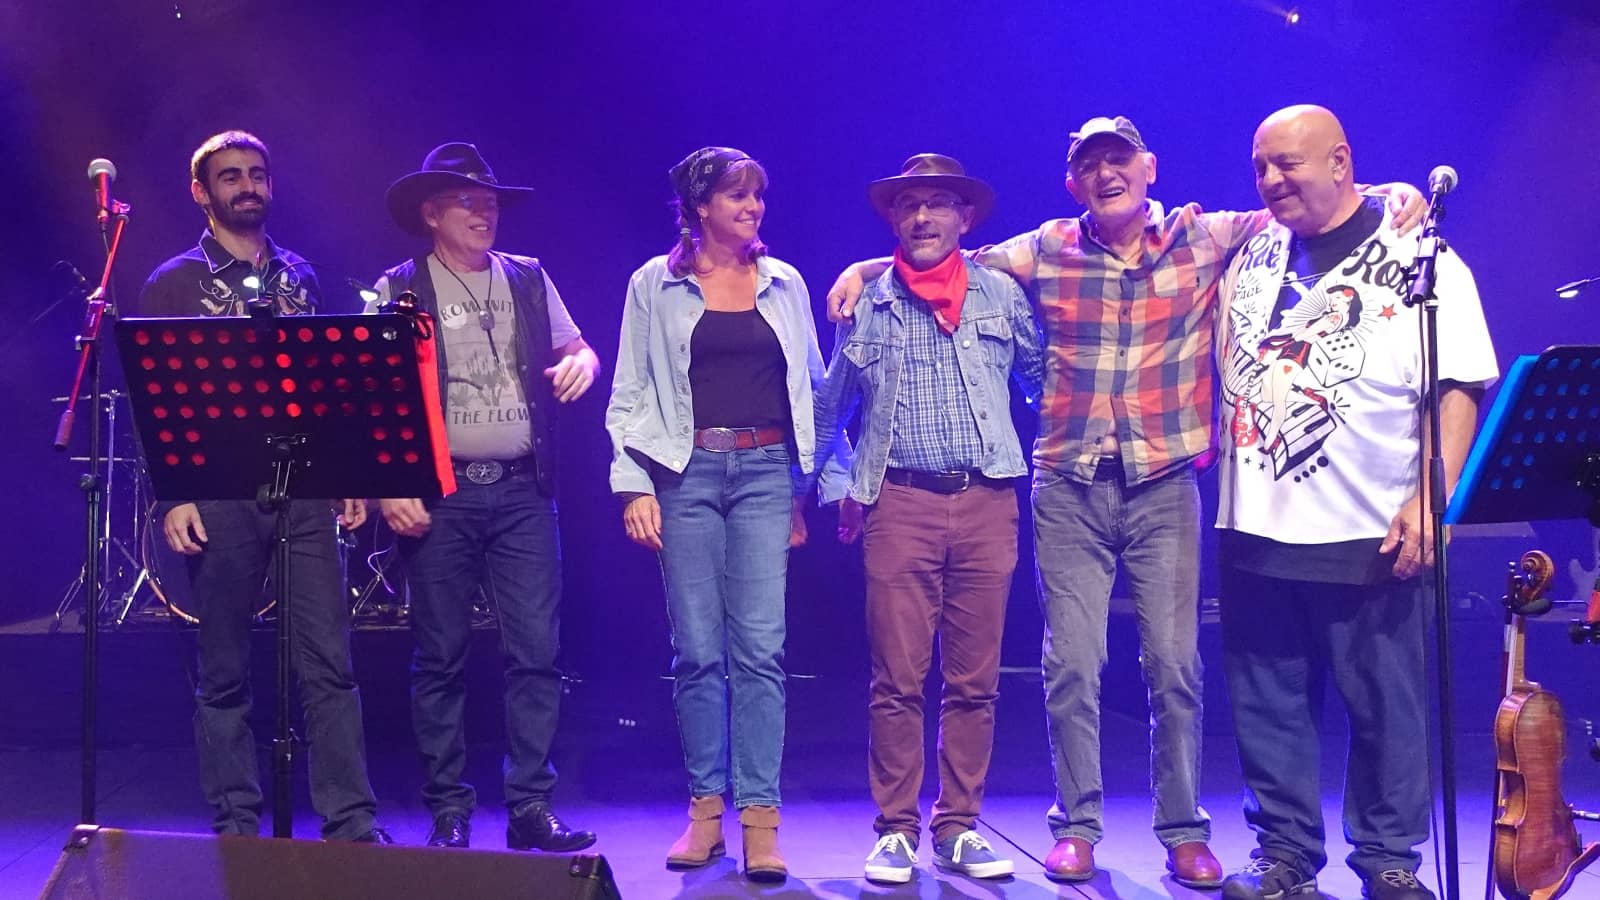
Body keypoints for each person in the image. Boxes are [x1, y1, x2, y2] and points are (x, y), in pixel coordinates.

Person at [826, 117, 1425, 888]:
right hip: (1068, 487)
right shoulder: (1043, 249)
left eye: (1119, 160)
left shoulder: (1204, 237)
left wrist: (1389, 191)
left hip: (1163, 484)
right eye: (1089, 165)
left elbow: (1311, 202)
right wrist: (865, 266)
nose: (1105, 174)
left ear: (1148, 168)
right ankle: (1076, 826)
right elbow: (941, 256)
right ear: (1073, 182)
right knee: (1072, 665)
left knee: (1174, 665)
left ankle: (1182, 830)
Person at [1213, 105, 1495, 900]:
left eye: (1288, 164)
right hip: (1256, 524)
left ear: (1341, 161)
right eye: (1260, 165)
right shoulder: (1255, 243)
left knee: (1387, 710)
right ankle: (1284, 855)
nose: (1270, 181)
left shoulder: (1421, 255)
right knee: (1268, 706)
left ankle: (1388, 860)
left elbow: (1461, 385)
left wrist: (1430, 501)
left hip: (1373, 527)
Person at [139, 129, 389, 843]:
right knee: (223, 667)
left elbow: (326, 391)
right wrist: (173, 493)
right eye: (230, 176)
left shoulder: (302, 275)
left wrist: (345, 473)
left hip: (305, 487)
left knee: (329, 662)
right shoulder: (174, 281)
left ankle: (351, 824)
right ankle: (237, 827)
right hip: (217, 491)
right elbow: (156, 401)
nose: (246, 186)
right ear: (201, 191)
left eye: (256, 174)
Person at [811, 154, 1044, 884]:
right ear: (893, 218)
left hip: (986, 501)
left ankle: (960, 827)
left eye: (938, 204)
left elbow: (1045, 384)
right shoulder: (870, 302)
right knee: (898, 679)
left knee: (975, 681)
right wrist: (823, 488)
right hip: (900, 503)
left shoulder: (1001, 295)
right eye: (909, 205)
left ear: (964, 218)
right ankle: (896, 829)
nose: (922, 217)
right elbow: (828, 409)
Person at [605, 146, 834, 883]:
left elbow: (814, 388)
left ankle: (760, 821)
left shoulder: (784, 282)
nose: (752, 207)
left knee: (760, 649)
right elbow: (630, 391)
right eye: (737, 196)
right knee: (698, 650)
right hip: (687, 472)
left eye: (757, 196)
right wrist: (633, 484)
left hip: (767, 473)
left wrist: (810, 489)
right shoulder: (657, 283)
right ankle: (705, 813)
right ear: (701, 207)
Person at [371, 142, 601, 852]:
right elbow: (372, 398)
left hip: (524, 493)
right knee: (438, 655)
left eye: (490, 200)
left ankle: (531, 805)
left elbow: (579, 348)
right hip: (440, 498)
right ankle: (450, 810)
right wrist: (388, 485)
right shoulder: (400, 287)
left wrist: (584, 364)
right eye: (467, 201)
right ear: (431, 213)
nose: (484, 211)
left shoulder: (528, 279)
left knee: (537, 651)